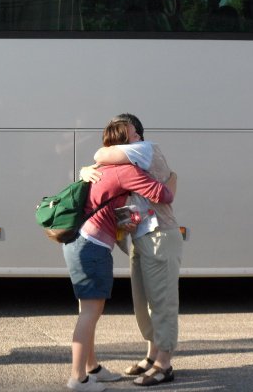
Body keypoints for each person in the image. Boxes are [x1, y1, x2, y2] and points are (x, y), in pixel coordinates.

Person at [64, 119, 177, 392]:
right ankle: (78, 378)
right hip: (93, 246)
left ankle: (94, 368)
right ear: (123, 145)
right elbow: (165, 193)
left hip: (80, 242)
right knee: (91, 312)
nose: (139, 137)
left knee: (91, 310)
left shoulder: (99, 170)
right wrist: (173, 178)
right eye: (133, 135)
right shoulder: (123, 170)